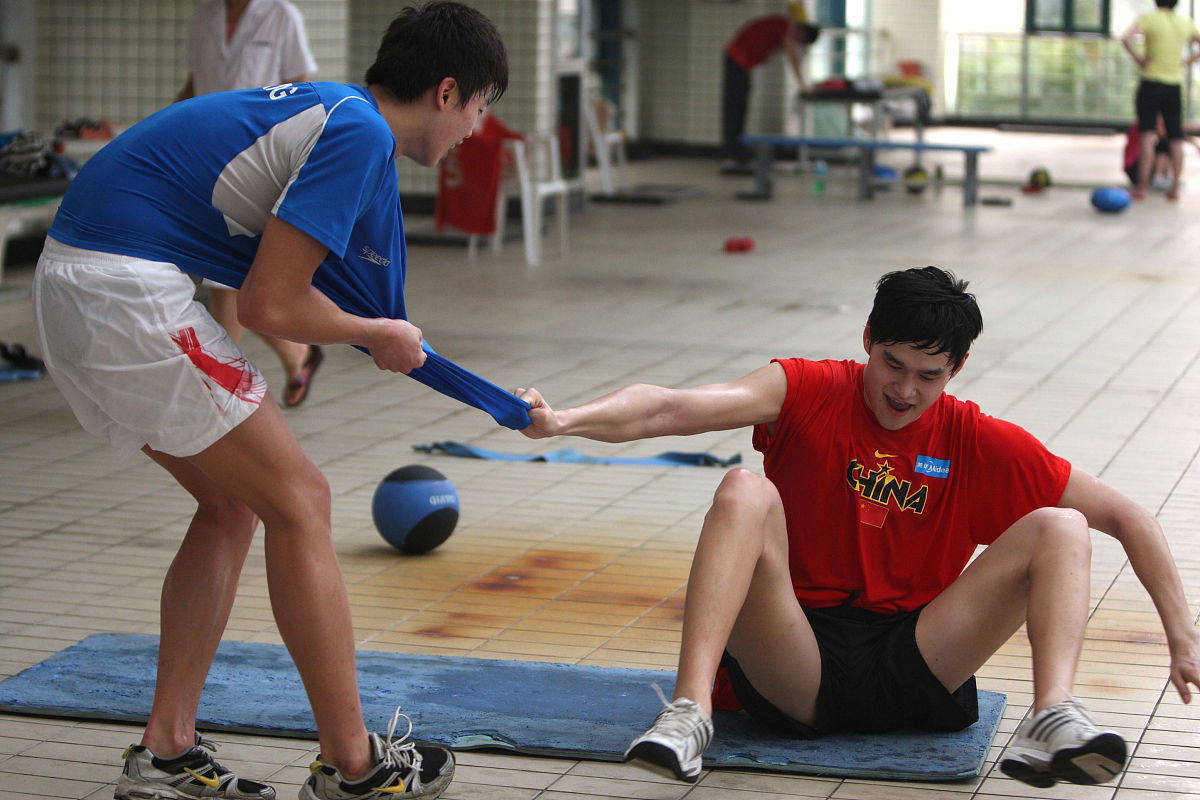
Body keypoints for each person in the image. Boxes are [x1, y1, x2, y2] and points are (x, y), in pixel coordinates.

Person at [31, 3, 508, 799]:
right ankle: (354, 767)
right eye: (481, 111)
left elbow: (272, 289)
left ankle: (166, 754)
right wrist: (378, 332)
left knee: (231, 505)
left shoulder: (337, 111)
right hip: (123, 290)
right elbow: (269, 307)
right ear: (448, 91)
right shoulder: (358, 133)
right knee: (302, 499)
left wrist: (383, 333)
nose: (476, 132)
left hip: (83, 278)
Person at [515, 266, 1200, 789]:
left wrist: (1183, 635)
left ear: (956, 369)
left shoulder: (973, 437)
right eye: (892, 365)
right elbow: (668, 409)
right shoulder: (807, 389)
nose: (905, 390)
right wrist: (563, 422)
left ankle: (1051, 715)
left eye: (928, 376)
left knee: (1062, 525)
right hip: (799, 658)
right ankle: (689, 713)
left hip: (920, 658)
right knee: (741, 490)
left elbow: (1129, 515)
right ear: (868, 340)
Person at [177, 0, 324, 407]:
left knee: (224, 278)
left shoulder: (283, 15)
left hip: (259, 160)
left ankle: (223, 387)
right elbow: (195, 85)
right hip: (206, 158)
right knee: (228, 276)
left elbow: (300, 93)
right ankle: (297, 355)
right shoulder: (205, 14)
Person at [722, 1, 820, 172]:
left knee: (740, 107)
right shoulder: (786, 28)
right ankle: (732, 155)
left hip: (742, 65)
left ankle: (736, 153)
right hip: (736, 61)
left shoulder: (783, 27)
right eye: (800, 41)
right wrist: (803, 86)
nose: (797, 43)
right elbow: (793, 59)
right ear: (801, 32)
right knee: (735, 108)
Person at [1121, 0, 1200, 200]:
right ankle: (1174, 189)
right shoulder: (1185, 22)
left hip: (1151, 82)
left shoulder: (1149, 19)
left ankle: (1142, 187)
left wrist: (1139, 60)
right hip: (1173, 84)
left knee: (1147, 134)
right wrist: (1185, 62)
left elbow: (1126, 39)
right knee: (1175, 137)